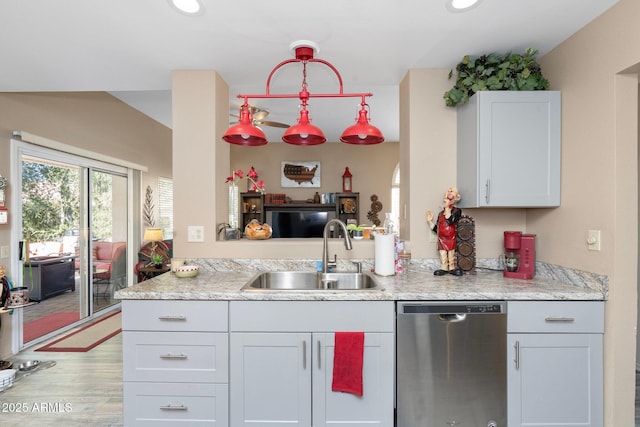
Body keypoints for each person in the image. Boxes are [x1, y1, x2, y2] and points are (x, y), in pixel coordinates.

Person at [427, 187, 463, 276]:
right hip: (441, 239)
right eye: (448, 191)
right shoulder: (440, 214)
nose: (449, 192)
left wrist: (447, 207)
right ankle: (444, 267)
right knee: (443, 254)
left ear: (456, 197)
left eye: (452, 191)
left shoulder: (457, 211)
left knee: (451, 254)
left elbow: (450, 220)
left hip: (451, 238)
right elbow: (437, 229)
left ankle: (451, 267)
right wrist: (429, 221)